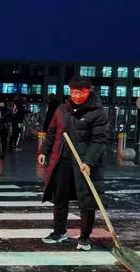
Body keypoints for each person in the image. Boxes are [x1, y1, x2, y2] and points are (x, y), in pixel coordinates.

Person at [38, 76, 109, 251]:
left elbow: (99, 140)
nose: (77, 96)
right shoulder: (62, 109)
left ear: (88, 91)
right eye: (73, 92)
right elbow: (52, 132)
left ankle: (85, 237)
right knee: (60, 198)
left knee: (86, 201)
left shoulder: (97, 113)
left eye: (81, 92)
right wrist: (44, 151)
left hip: (84, 163)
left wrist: (89, 161)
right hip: (61, 161)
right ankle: (59, 232)